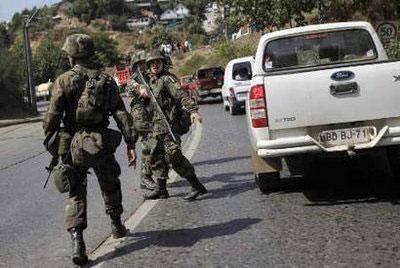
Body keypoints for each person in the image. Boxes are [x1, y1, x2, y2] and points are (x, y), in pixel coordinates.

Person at [43, 34, 137, 266]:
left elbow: (52, 119)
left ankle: (78, 244)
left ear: (71, 55)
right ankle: (116, 225)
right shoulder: (106, 80)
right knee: (110, 183)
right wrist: (130, 142)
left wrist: (55, 146)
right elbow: (121, 113)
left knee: (76, 193)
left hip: (74, 145)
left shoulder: (63, 80)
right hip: (101, 142)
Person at [135, 50, 207, 201]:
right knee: (156, 158)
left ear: (163, 63)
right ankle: (161, 189)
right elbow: (130, 86)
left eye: (158, 62)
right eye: (152, 63)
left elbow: (181, 95)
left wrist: (193, 111)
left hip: (169, 126)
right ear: (148, 66)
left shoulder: (167, 79)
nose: (155, 65)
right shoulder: (148, 80)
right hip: (155, 127)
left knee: (175, 157)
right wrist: (139, 89)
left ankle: (197, 186)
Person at [126, 52, 157, 191]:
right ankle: (145, 177)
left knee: (157, 143)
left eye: (144, 63)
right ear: (135, 66)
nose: (143, 66)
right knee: (149, 144)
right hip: (140, 116)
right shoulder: (133, 80)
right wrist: (142, 89)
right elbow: (139, 89)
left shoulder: (149, 77)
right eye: (140, 64)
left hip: (150, 114)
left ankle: (154, 172)